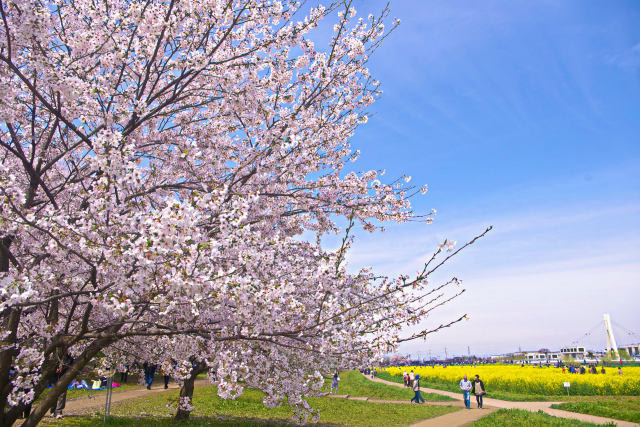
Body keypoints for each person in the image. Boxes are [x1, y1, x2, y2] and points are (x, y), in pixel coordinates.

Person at [50, 353, 73, 419]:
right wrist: (55, 370)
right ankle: (52, 410)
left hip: (64, 378)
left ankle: (59, 412)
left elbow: (69, 367)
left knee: (62, 395)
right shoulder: (55, 357)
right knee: (53, 395)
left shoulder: (69, 359)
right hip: (55, 378)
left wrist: (62, 369)